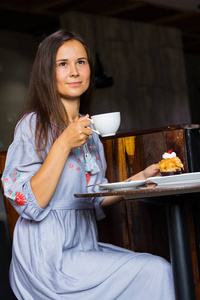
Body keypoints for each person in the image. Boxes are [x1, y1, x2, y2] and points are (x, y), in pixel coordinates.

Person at [2, 29, 175, 300]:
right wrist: (63, 143)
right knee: (156, 270)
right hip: (48, 256)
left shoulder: (90, 132)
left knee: (157, 270)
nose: (75, 71)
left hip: (84, 246)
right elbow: (30, 204)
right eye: (63, 64)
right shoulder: (33, 125)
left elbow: (94, 198)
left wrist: (142, 176)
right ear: (46, 73)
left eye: (81, 62)